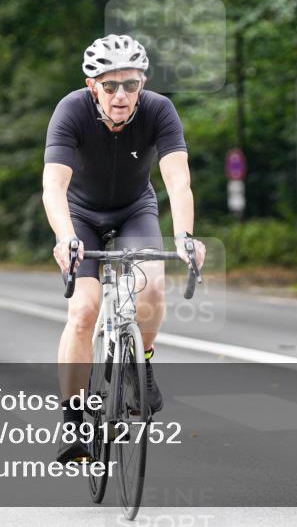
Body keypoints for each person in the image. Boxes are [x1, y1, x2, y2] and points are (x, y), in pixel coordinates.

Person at [43, 34, 206, 463]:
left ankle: (143, 363)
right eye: (110, 85)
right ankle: (74, 417)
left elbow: (177, 180)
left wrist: (186, 238)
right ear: (91, 84)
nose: (121, 95)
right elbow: (54, 185)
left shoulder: (158, 110)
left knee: (152, 288)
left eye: (130, 85)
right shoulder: (71, 110)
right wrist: (64, 236)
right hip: (81, 216)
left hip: (135, 208)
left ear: (143, 83)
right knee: (83, 310)